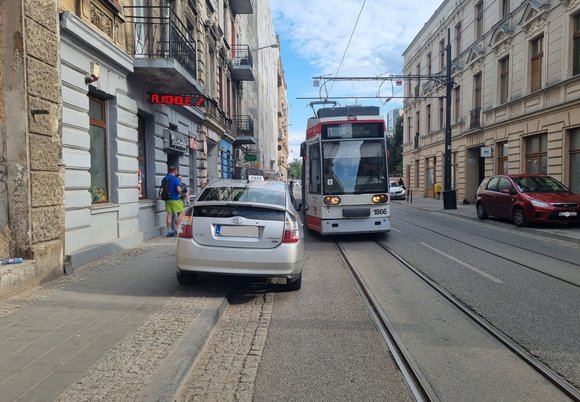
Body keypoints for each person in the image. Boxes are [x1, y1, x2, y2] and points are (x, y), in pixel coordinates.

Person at [163, 166, 183, 237]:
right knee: (181, 213)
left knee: (169, 215)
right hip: (175, 199)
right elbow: (178, 189)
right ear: (175, 171)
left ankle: (169, 231)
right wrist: (181, 191)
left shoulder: (165, 178)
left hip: (167, 199)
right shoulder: (175, 179)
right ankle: (177, 230)